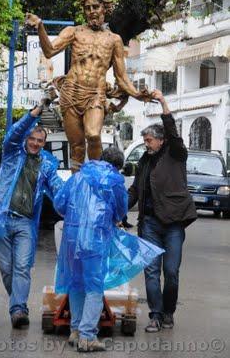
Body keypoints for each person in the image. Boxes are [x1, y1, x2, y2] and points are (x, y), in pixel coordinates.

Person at [53, 147, 164, 352]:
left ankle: (76, 331)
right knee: (94, 286)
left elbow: (59, 204)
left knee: (76, 283)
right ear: (118, 166)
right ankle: (87, 337)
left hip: (71, 237)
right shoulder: (115, 182)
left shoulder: (78, 176)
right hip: (96, 238)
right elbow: (121, 211)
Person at [25, 0, 149, 173]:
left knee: (93, 134)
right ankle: (78, 185)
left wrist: (137, 94)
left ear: (104, 9)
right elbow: (49, 51)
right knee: (76, 148)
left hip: (95, 95)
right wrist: (40, 27)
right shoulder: (74, 32)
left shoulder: (114, 40)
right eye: (88, 8)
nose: (92, 11)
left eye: (96, 7)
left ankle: (94, 176)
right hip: (71, 93)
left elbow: (121, 77)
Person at [0, 104, 63, 329]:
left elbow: (58, 188)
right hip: (0, 220)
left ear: (44, 144)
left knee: (22, 266)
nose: (34, 143)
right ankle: (18, 303)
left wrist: (78, 196)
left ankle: (18, 310)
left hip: (24, 223)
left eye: (39, 141)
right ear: (26, 138)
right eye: (31, 138)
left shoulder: (47, 164)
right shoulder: (12, 153)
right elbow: (13, 135)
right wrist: (32, 114)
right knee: (7, 269)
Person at [128, 90, 197, 333]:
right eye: (145, 140)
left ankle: (169, 312)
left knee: (171, 271)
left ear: (161, 140)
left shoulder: (176, 153)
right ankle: (155, 315)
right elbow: (135, 191)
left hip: (173, 223)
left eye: (149, 140)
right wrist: (117, 208)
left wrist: (163, 102)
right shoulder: (144, 162)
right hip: (149, 225)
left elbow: (173, 132)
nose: (146, 144)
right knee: (151, 272)